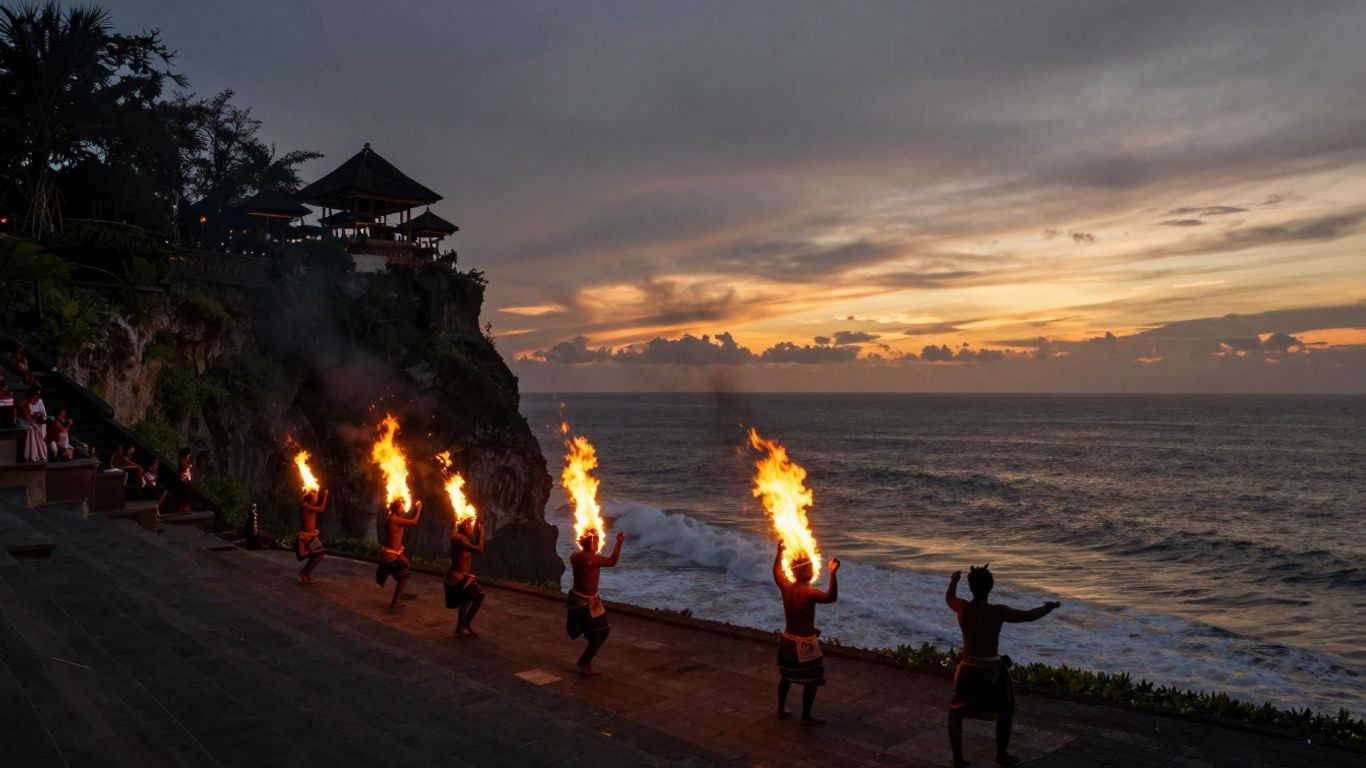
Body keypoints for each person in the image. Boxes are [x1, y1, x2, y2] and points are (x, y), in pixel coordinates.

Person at [945, 565, 1061, 768]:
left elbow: (949, 599)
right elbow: (1029, 616)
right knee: (1006, 710)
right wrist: (1047, 607)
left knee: (956, 712)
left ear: (971, 587)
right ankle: (1001, 755)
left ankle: (957, 759)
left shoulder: (963, 608)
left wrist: (954, 581)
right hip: (993, 670)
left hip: (967, 667)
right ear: (990, 587)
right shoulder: (998, 611)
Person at [774, 542, 840, 725]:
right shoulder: (809, 593)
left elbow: (777, 573)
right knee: (811, 681)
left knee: (786, 677)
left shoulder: (786, 587)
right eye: (810, 567)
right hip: (804, 645)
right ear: (803, 572)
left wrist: (779, 553)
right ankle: (806, 716)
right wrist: (833, 573)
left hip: (786, 641)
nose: (812, 569)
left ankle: (780, 709)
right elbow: (831, 598)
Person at [566, 530, 624, 676]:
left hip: (582, 600)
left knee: (594, 631)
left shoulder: (575, 557)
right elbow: (612, 561)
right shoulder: (590, 559)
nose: (598, 544)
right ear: (590, 544)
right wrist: (619, 542)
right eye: (596, 542)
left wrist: (591, 535)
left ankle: (587, 656)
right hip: (585, 603)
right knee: (602, 632)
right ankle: (584, 662)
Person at [375, 498, 422, 609]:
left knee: (405, 570)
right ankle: (395, 601)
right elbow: (414, 522)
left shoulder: (393, 517)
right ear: (396, 508)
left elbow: (406, 519)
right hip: (391, 556)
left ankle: (398, 592)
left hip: (392, 554)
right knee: (404, 575)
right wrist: (420, 508)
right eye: (402, 506)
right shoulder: (394, 519)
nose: (404, 507)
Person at [445, 516, 486, 636]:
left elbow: (454, 527)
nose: (473, 526)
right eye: (470, 524)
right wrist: (482, 533)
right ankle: (465, 623)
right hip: (458, 577)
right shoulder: (461, 540)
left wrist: (460, 520)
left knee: (466, 601)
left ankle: (460, 629)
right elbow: (479, 549)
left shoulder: (456, 537)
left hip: (457, 576)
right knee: (479, 596)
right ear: (464, 527)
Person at [296, 486, 330, 584]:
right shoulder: (306, 506)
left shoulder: (310, 507)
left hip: (311, 536)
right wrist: (326, 496)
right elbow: (322, 509)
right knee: (319, 553)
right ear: (310, 498)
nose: (316, 498)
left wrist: (317, 492)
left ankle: (305, 573)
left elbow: (318, 507)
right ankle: (304, 573)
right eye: (314, 496)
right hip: (306, 537)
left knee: (319, 554)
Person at [17, 388, 47, 462]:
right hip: (25, 423)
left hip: (36, 423)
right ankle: (34, 454)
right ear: (30, 398)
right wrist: (35, 421)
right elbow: (28, 418)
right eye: (34, 399)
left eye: (37, 399)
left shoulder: (39, 403)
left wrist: (38, 418)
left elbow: (43, 415)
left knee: (40, 428)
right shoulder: (25, 405)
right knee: (34, 430)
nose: (36, 401)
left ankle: (41, 453)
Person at [176, 448, 193, 515]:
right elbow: (184, 467)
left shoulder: (188, 460)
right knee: (183, 494)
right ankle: (181, 509)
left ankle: (186, 508)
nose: (189, 455)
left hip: (188, 478)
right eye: (188, 454)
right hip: (183, 479)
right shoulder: (182, 460)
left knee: (189, 493)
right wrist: (189, 465)